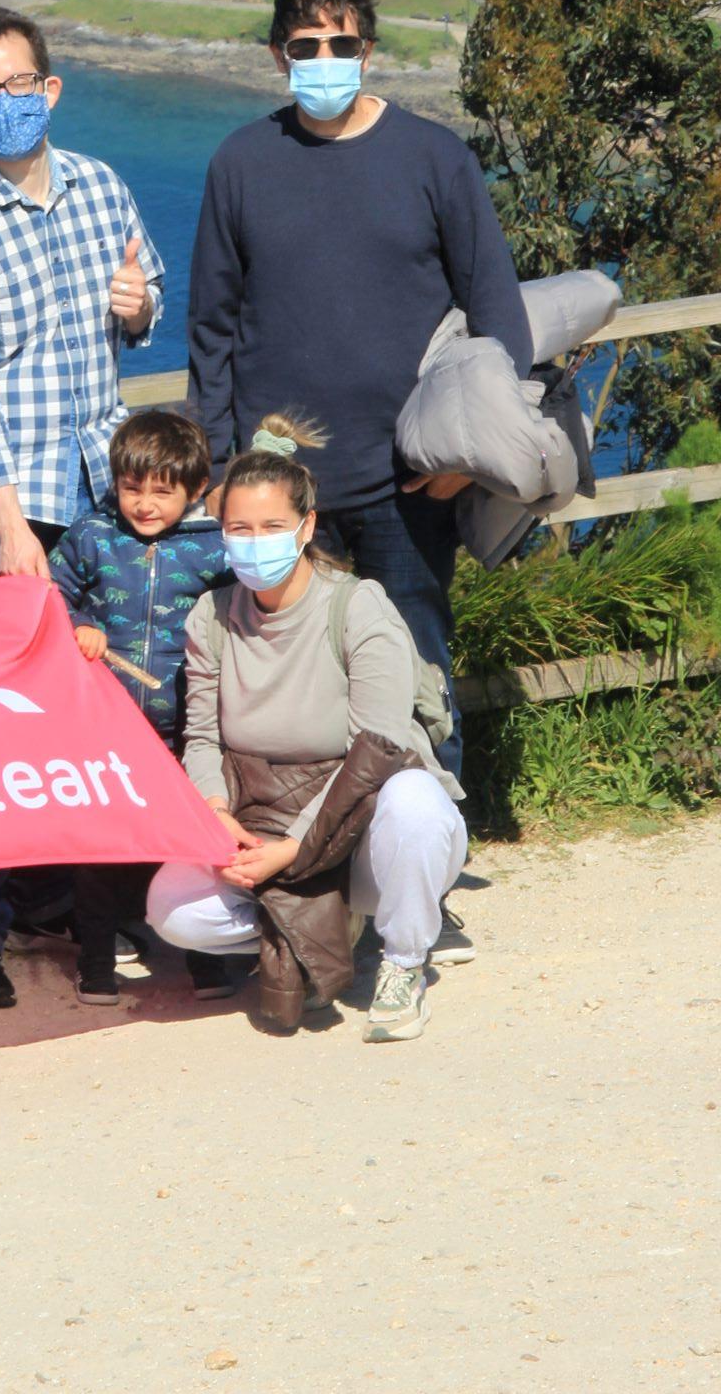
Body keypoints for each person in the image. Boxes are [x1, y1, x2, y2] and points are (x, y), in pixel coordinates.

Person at [187, 0, 527, 884]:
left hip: (404, 483)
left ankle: (427, 875)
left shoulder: (433, 158)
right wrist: (224, 468)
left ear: (368, 50)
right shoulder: (240, 164)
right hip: (278, 499)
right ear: (277, 55)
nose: (326, 60)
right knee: (282, 691)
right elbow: (211, 327)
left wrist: (469, 464)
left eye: (344, 45)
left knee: (416, 674)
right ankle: (313, 872)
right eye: (307, 48)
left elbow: (499, 316)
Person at [0, 5, 166, 1009]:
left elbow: (146, 304)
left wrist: (139, 310)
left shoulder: (102, 186)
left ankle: (65, 889)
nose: (6, 104)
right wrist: (11, 527)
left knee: (81, 699)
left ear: (51, 89)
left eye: (22, 85)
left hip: (96, 478)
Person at [147, 418, 468, 1045]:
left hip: (360, 814)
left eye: (271, 527)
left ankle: (403, 959)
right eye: (239, 529)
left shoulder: (358, 606)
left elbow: (378, 750)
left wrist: (295, 847)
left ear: (307, 527)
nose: (253, 542)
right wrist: (215, 811)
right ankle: (320, 926)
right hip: (260, 809)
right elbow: (203, 738)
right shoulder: (210, 617)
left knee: (416, 805)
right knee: (172, 908)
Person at [49, 408, 233, 1007]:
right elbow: (49, 594)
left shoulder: (215, 549)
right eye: (132, 488)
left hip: (189, 727)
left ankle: (208, 959)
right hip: (107, 729)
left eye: (163, 491)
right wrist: (77, 624)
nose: (145, 504)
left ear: (196, 490)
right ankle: (97, 962)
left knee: (197, 840)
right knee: (102, 850)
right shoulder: (91, 536)